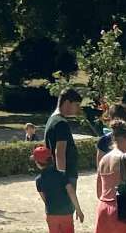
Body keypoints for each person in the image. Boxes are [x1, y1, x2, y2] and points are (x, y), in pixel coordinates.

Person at [38, 89, 87, 233]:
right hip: (65, 176)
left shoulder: (51, 120)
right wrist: (62, 178)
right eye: (76, 105)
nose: (78, 109)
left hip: (53, 175)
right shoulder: (61, 123)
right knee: (65, 218)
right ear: (67, 103)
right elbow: (59, 152)